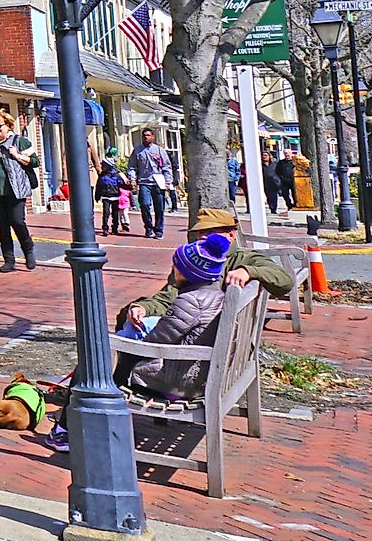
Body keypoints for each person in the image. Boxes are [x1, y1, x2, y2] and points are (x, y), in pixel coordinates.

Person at [115, 205, 294, 329]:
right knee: (129, 313)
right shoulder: (191, 260)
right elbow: (168, 296)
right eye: (200, 233)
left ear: (231, 235)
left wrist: (249, 271)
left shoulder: (244, 259)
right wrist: (144, 307)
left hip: (208, 335)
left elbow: (286, 281)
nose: (202, 237)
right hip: (193, 326)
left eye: (209, 233)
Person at [117, 233, 232, 400]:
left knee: (115, 346)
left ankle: (103, 396)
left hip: (179, 383)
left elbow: (154, 344)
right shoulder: (214, 294)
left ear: (189, 273)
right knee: (133, 330)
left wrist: (121, 342)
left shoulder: (190, 301)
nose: (172, 267)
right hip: (201, 371)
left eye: (177, 265)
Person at [0, 112, 42, 270]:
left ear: (9, 126)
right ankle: (9, 261)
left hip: (16, 191)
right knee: (3, 226)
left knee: (17, 221)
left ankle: (28, 249)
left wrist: (17, 155)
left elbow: (35, 161)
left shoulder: (19, 141)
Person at [128, 128, 173, 237]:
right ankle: (148, 227)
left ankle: (158, 230)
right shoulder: (137, 151)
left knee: (159, 208)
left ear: (152, 137)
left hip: (158, 183)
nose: (146, 137)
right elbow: (132, 166)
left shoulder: (159, 150)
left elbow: (167, 166)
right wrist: (132, 179)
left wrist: (168, 181)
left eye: (148, 135)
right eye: (144, 135)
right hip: (144, 182)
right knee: (145, 204)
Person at [96, 154, 130, 236]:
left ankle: (115, 228)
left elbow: (122, 184)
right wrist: (97, 196)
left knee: (115, 214)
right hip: (106, 196)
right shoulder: (102, 175)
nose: (102, 166)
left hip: (115, 196)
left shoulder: (117, 175)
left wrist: (129, 186)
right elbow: (99, 186)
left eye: (103, 165)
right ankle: (105, 228)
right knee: (106, 213)